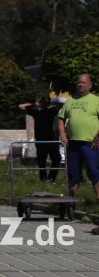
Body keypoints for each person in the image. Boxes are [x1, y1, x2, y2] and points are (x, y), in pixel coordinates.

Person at [57, 74, 99, 202]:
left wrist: (98, 137)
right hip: (73, 143)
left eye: (83, 82)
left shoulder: (96, 100)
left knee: (94, 171)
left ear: (90, 85)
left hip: (91, 143)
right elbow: (60, 118)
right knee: (72, 173)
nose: (80, 84)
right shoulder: (70, 100)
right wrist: (63, 135)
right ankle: (70, 201)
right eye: (79, 82)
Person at [19, 93, 61, 181]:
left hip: (51, 139)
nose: (43, 103)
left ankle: (51, 178)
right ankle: (43, 179)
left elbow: (60, 105)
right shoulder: (36, 112)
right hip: (40, 140)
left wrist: (49, 102)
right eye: (42, 101)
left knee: (57, 159)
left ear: (48, 102)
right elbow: (20, 106)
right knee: (41, 161)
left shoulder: (51, 111)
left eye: (45, 101)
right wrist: (34, 104)